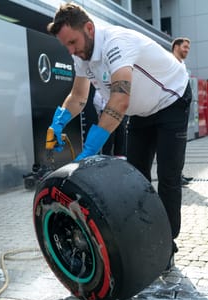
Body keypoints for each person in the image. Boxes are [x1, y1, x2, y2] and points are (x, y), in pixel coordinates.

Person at [46, 3, 192, 271]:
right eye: (66, 45)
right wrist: (58, 122)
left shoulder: (117, 43)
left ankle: (167, 245)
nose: (70, 50)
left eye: (72, 42)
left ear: (89, 28)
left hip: (172, 99)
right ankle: (144, 235)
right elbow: (79, 97)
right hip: (141, 111)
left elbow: (119, 101)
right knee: (136, 178)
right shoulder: (81, 56)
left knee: (169, 178)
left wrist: (90, 147)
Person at [172, 37, 193, 186]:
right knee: (173, 149)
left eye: (188, 48)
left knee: (179, 148)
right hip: (172, 114)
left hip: (181, 114)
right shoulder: (170, 62)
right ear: (176, 46)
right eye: (184, 47)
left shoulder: (182, 64)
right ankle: (174, 177)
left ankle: (179, 174)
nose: (186, 50)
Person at [93, 89, 128, 156]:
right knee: (113, 140)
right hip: (114, 111)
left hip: (112, 110)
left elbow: (97, 99)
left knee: (117, 139)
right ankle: (113, 159)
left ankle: (110, 158)